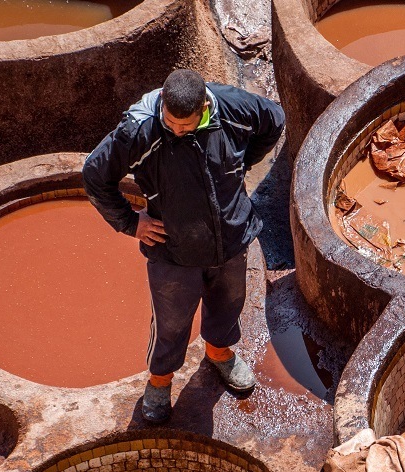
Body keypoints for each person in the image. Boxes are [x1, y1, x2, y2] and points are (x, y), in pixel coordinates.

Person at [83, 68, 285, 423]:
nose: (177, 131)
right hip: (173, 249)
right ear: (162, 102)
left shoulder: (233, 109)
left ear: (204, 106)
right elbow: (95, 174)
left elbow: (275, 120)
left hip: (231, 237)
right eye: (171, 123)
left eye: (186, 126)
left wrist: (241, 163)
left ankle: (219, 354)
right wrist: (131, 223)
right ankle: (160, 382)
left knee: (229, 302)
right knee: (171, 322)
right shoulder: (140, 131)